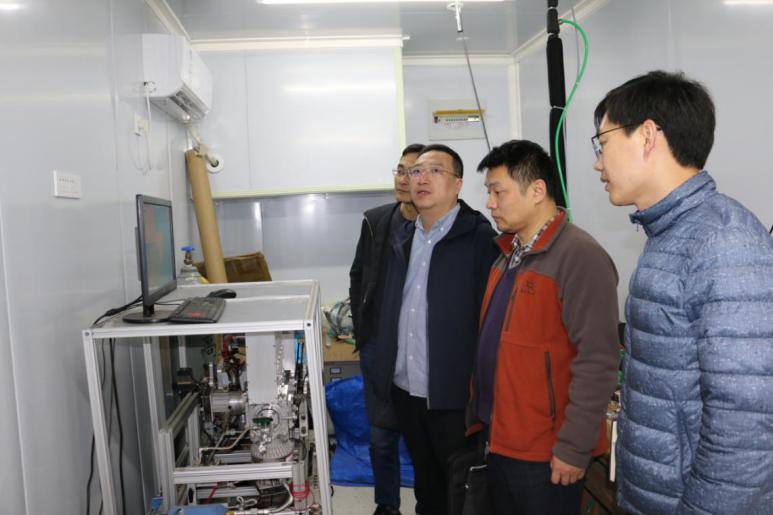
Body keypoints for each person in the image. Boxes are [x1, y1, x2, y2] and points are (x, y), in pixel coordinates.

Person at [592, 70, 773, 513]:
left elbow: (746, 422)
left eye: (603, 144)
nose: (598, 163)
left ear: (647, 136)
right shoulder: (672, 233)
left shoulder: (724, 242)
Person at [465, 139, 620, 514]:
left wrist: (574, 447)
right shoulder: (507, 255)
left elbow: (598, 360)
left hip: (546, 452)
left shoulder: (579, 256)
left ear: (537, 190)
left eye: (498, 192)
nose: (490, 203)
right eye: (489, 192)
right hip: (500, 438)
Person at [366, 144, 499, 515]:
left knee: (460, 488)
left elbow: (491, 323)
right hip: (406, 390)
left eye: (435, 170)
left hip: (453, 396)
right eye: (415, 172)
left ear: (457, 184)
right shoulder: (403, 238)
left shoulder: (479, 239)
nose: (421, 179)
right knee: (425, 486)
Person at [350, 143, 424, 515]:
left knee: (423, 439)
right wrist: (363, 329)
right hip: (379, 348)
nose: (402, 179)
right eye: (400, 170)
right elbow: (357, 275)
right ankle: (387, 505)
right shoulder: (376, 221)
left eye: (412, 172)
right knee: (381, 437)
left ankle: (430, 503)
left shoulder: (435, 227)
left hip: (419, 350)